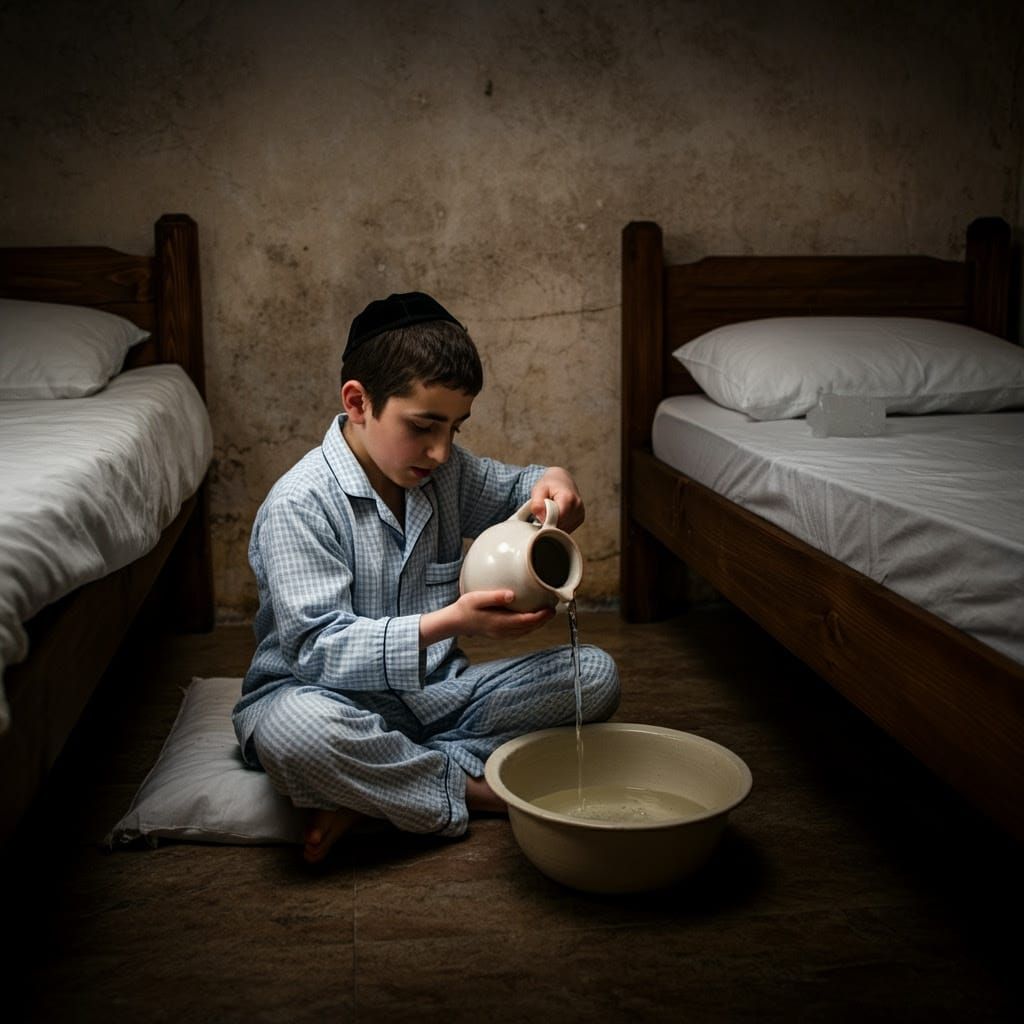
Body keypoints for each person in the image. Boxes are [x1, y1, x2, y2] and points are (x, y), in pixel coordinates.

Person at [232, 291, 620, 863]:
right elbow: (318, 650)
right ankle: (474, 791)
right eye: (423, 427)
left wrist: (555, 480)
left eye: (456, 429)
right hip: (318, 698)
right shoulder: (300, 504)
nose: (441, 451)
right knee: (299, 735)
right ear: (359, 402)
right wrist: (453, 623)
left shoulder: (446, 474)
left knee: (596, 674)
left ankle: (370, 791)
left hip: (439, 699)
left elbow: (522, 488)